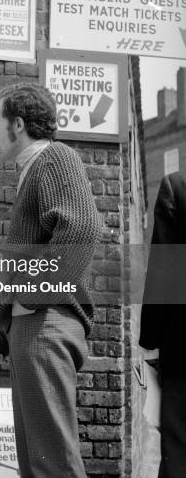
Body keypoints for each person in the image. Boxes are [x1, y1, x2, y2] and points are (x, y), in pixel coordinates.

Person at [0, 83, 100, 478]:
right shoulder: (34, 168)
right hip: (32, 324)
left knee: (51, 462)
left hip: (44, 324)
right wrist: (5, 331)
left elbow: (80, 229)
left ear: (18, 124)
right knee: (38, 460)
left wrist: (31, 298)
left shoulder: (54, 158)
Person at [139, 171, 186, 477]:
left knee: (179, 455)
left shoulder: (178, 189)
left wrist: (148, 342)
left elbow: (163, 273)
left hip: (183, 356)